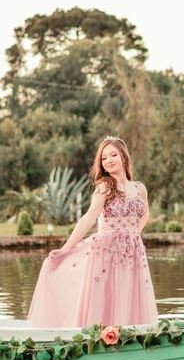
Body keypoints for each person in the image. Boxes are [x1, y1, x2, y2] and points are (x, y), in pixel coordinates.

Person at [26, 137, 159, 328]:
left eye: (113, 154)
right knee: (107, 297)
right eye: (104, 158)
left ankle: (131, 337)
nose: (109, 160)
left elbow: (146, 214)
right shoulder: (105, 187)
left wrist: (133, 233)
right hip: (106, 252)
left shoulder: (139, 188)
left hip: (133, 252)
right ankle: (102, 338)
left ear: (124, 156)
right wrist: (65, 249)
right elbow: (88, 219)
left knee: (130, 295)